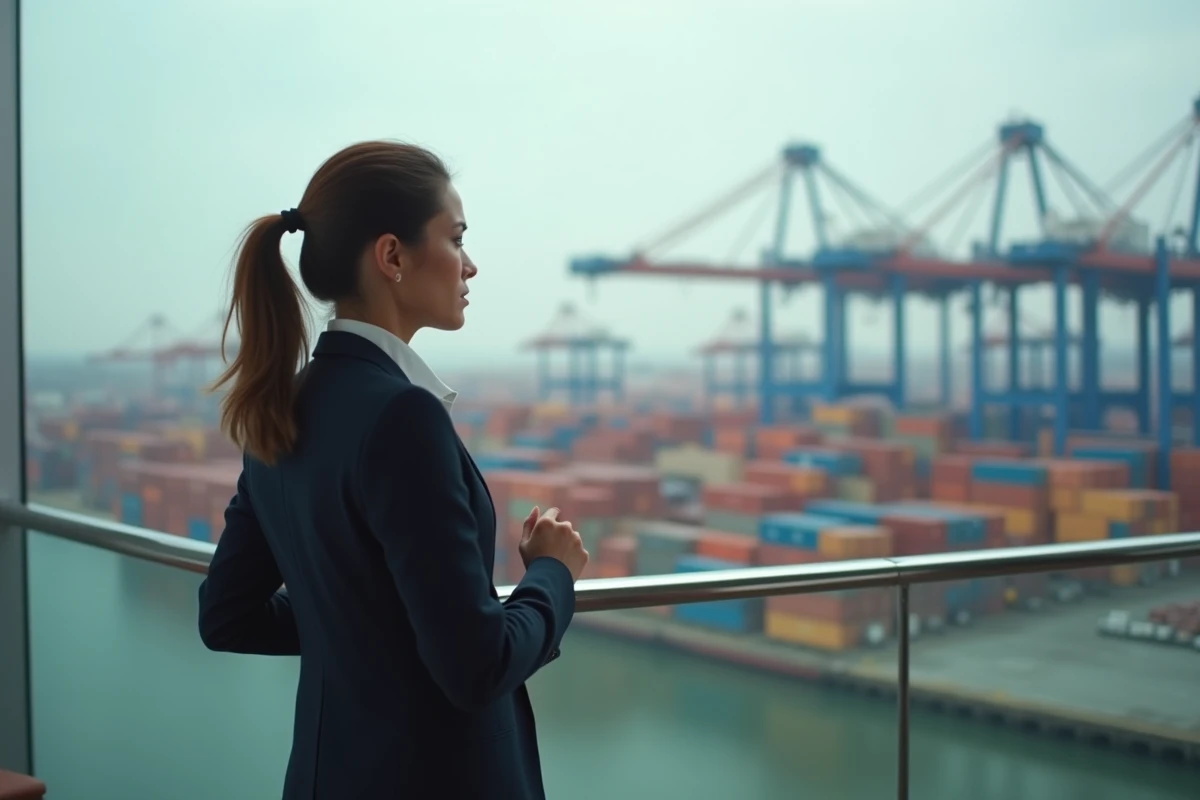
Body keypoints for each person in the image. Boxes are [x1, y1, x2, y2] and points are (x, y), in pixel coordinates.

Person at [196, 141, 589, 799]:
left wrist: (358, 620)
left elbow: (227, 617)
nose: (470, 264)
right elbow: (477, 666)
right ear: (392, 257)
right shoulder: (404, 417)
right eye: (456, 239)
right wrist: (553, 574)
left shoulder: (281, 402)